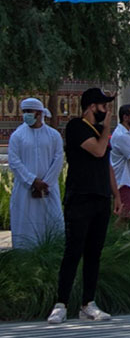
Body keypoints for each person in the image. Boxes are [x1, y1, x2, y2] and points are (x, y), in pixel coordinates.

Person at [49, 87, 118, 324]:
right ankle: (61, 303)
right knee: (73, 251)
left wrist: (116, 194)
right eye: (103, 106)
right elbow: (98, 151)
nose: (106, 111)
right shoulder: (76, 127)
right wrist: (107, 128)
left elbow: (106, 163)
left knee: (93, 253)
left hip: (101, 198)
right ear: (91, 107)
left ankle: (88, 303)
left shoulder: (101, 132)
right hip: (80, 198)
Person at [7, 97, 63, 251]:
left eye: (29, 112)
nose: (26, 115)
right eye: (24, 112)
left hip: (48, 190)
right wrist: (32, 181)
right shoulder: (17, 136)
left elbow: (58, 159)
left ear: (39, 113)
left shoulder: (53, 135)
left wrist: (46, 183)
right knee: (25, 225)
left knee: (51, 224)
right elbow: (14, 161)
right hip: (25, 190)